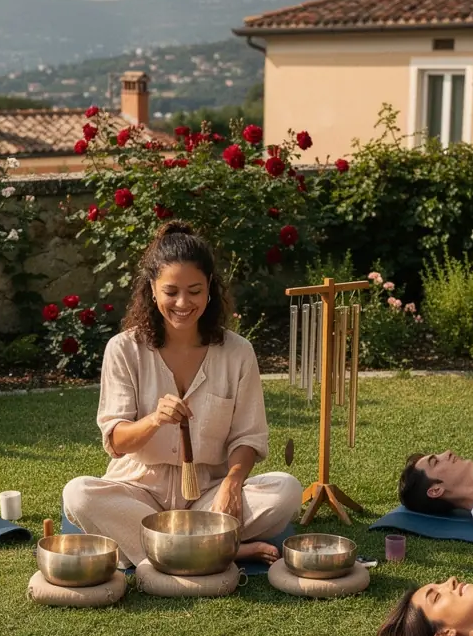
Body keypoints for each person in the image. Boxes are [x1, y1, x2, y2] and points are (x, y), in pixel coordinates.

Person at [63, 222, 302, 568]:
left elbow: (248, 437)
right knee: (79, 495)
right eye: (171, 291)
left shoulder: (237, 352)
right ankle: (218, 549)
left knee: (286, 490)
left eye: (194, 291)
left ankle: (166, 550)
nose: (182, 303)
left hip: (209, 495)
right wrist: (154, 420)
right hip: (138, 491)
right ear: (152, 290)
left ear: (210, 291)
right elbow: (116, 439)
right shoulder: (124, 349)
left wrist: (233, 484)